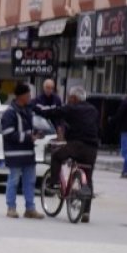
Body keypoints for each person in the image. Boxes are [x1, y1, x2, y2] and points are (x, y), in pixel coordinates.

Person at [36, 86, 100, 222]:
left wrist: (38, 110)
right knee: (88, 178)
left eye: (70, 98)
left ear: (74, 98)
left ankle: (54, 184)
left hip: (76, 145)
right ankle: (86, 213)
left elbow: (54, 112)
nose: (69, 100)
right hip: (92, 148)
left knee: (57, 156)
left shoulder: (72, 108)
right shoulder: (93, 110)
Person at [2, 83, 42, 219]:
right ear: (21, 96)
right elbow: (8, 133)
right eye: (28, 95)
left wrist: (35, 134)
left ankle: (30, 209)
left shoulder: (28, 111)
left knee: (30, 182)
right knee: (13, 181)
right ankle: (11, 208)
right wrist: (28, 137)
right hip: (15, 154)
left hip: (28, 154)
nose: (30, 97)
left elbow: (27, 129)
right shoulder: (10, 113)